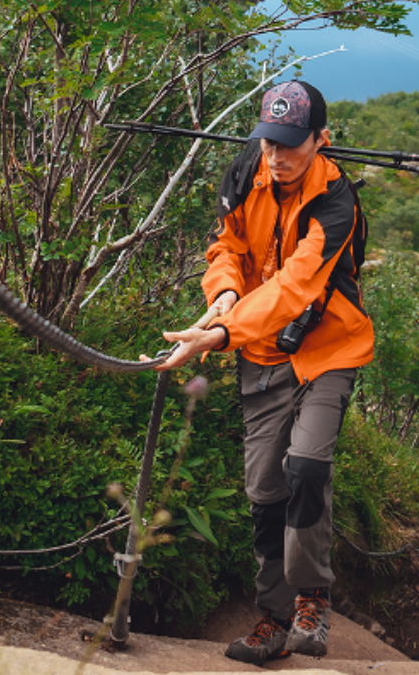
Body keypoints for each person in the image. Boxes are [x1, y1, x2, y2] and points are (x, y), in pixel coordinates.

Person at [156, 80, 372, 665]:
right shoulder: (245, 173)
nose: (277, 158)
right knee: (264, 493)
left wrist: (221, 334)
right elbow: (224, 246)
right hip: (261, 353)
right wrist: (224, 293)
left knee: (305, 466)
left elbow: (295, 287)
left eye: (291, 146)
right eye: (269, 142)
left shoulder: (336, 202)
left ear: (320, 140)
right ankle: (273, 618)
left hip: (328, 348)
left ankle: (311, 599)